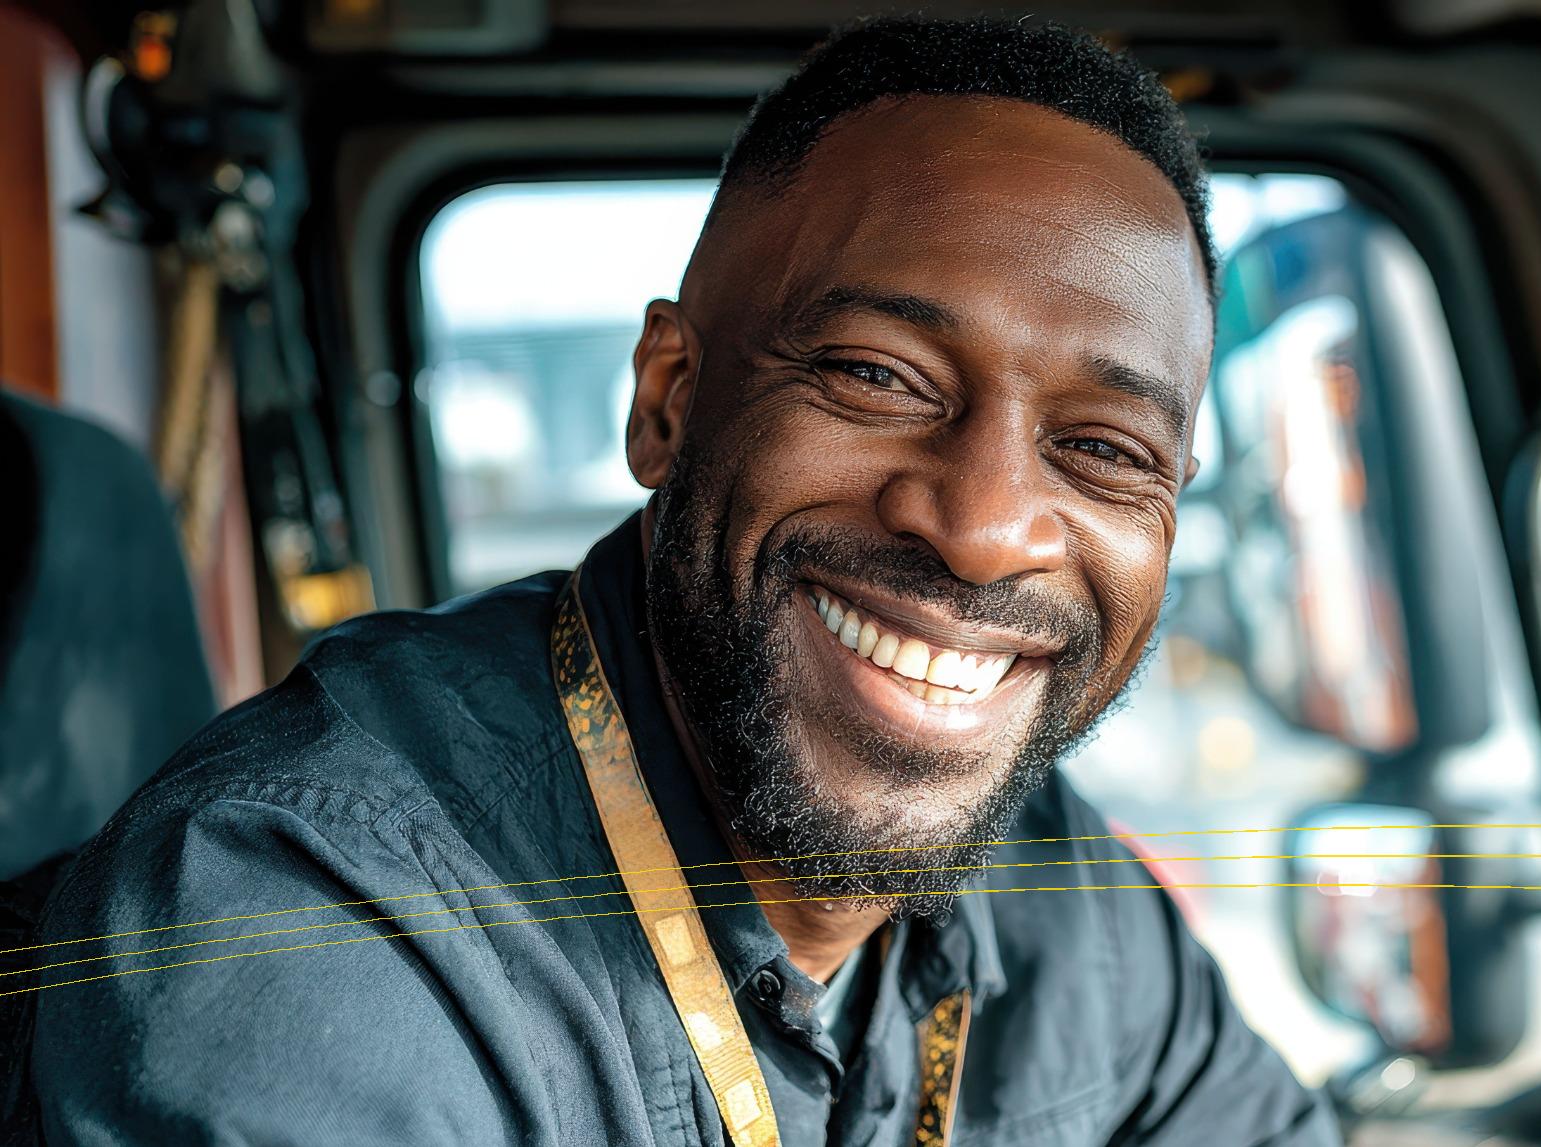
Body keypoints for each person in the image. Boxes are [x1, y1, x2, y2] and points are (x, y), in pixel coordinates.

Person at [26, 16, 1339, 1146]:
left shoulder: (1067, 897)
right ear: (670, 399)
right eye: (880, 376)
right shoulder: (299, 928)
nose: (987, 530)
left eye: (1105, 452)